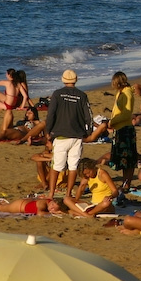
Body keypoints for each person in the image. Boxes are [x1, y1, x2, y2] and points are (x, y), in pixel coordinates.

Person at [44, 69, 93, 199]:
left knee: (56, 166)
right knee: (73, 166)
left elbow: (51, 114)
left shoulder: (57, 94)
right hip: (77, 135)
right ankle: (68, 193)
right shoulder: (82, 95)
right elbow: (88, 115)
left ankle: (51, 193)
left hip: (61, 135)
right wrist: (88, 132)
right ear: (75, 80)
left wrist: (48, 131)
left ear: (63, 80)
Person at [109, 71, 138, 193]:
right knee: (122, 159)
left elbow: (126, 113)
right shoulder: (120, 93)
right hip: (119, 128)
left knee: (128, 159)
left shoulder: (127, 93)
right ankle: (125, 182)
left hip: (125, 128)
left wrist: (112, 122)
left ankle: (127, 183)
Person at [0, 194, 65, 215]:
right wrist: (53, 213)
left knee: (3, 208)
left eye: (54, 209)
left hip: (25, 204)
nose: (51, 209)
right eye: (52, 206)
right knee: (1, 208)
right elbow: (40, 213)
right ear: (52, 202)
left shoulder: (49, 202)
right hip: (20, 206)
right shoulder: (43, 204)